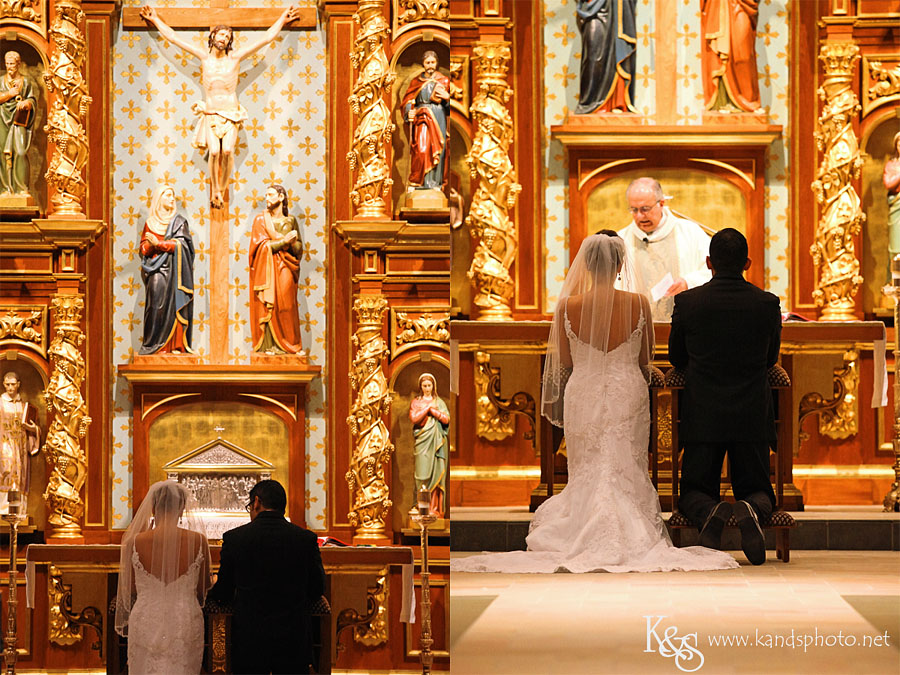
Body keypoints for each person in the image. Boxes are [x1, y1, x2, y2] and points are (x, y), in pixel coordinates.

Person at [451, 232, 737, 573]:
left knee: (588, 464)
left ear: (586, 264)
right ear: (619, 265)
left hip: (583, 390)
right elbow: (646, 355)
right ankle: (632, 532)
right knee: (624, 462)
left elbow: (566, 361)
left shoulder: (568, 306)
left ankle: (581, 528)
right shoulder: (638, 303)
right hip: (626, 390)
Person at [669, 228, 781, 566]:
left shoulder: (688, 302)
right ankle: (748, 508)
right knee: (762, 491)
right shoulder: (767, 303)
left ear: (708, 263)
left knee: (692, 491)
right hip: (751, 415)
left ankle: (710, 509)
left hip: (703, 415)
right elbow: (770, 359)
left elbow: (676, 357)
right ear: (747, 263)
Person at [140, 5, 302, 208]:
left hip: (231, 113)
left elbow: (267, 38)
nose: (224, 38)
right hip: (210, 113)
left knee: (227, 151)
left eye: (227, 36)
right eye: (221, 34)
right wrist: (155, 20)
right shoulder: (204, 57)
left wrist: (282, 20)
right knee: (214, 152)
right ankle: (214, 188)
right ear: (212, 36)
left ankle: (221, 190)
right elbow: (173, 38)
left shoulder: (234, 58)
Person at [207, 479, 326, 674]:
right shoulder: (305, 539)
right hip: (293, 640)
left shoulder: (234, 538)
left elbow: (224, 592)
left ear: (256, 502)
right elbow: (317, 588)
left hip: (250, 639)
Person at [115, 480, 211, 674]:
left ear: (152, 507)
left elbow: (131, 589)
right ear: (182, 507)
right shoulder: (198, 541)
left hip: (146, 617)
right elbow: (203, 587)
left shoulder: (134, 542)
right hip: (184, 618)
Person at [617, 177, 712, 322]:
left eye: (645, 209)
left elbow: (712, 271)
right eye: (634, 210)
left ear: (661, 203)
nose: (639, 216)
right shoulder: (621, 239)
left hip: (684, 324)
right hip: (635, 328)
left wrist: (688, 282)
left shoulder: (690, 232)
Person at [139, 185, 195, 354]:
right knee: (155, 306)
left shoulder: (179, 222)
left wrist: (159, 244)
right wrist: (149, 245)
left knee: (175, 306)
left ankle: (175, 345)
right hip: (157, 271)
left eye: (173, 195)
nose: (172, 198)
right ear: (159, 198)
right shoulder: (151, 223)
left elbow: (184, 246)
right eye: (168, 195)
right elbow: (142, 249)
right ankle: (153, 345)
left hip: (176, 271)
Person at [250, 184, 303, 354]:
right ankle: (269, 346)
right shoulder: (260, 220)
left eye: (271, 194)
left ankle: (290, 346)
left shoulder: (291, 221)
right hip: (267, 267)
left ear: (281, 197)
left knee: (287, 305)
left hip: (286, 266)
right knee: (267, 306)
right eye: (266, 195)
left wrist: (293, 243)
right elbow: (258, 247)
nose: (267, 198)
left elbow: (299, 251)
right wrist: (283, 242)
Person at [575, 0, 637, 114]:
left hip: (618, 7)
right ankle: (591, 102)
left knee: (617, 51)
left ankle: (616, 102)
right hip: (594, 10)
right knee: (593, 58)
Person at [701, 0, 762, 113]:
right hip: (718, 6)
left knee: (743, 55)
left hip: (742, 6)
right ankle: (722, 103)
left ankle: (746, 100)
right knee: (719, 58)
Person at [401, 50, 450, 190]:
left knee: (438, 148)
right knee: (422, 149)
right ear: (423, 64)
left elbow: (451, 108)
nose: (430, 65)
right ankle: (418, 182)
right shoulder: (416, 81)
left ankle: (435, 184)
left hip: (438, 115)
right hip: (421, 116)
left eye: (432, 62)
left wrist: (447, 98)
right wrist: (408, 111)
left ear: (437, 63)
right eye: (427, 62)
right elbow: (408, 100)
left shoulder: (444, 80)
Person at [409, 373, 449, 517]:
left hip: (436, 442)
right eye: (424, 386)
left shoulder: (439, 402)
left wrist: (434, 411)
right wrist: (427, 409)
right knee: (421, 474)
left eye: (429, 385)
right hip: (422, 441)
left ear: (433, 386)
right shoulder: (416, 402)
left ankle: (434, 509)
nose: (427, 388)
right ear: (420, 387)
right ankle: (419, 505)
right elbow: (414, 418)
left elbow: (446, 419)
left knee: (436, 473)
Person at [0, 371, 40, 512]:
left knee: (20, 477)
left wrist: (32, 428)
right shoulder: (0, 404)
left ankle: (18, 511)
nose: (10, 387)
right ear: (4, 384)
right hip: (3, 447)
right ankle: (3, 511)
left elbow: (34, 428)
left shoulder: (24, 406)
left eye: (13, 384)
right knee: (5, 474)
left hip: (20, 448)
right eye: (7, 384)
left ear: (18, 385)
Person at [0, 51, 36, 196]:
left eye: (12, 64)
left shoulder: (25, 82)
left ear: (18, 64)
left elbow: (32, 99)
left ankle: (22, 188)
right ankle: (5, 189)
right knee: (2, 154)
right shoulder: (1, 81)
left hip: (19, 119)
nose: (9, 67)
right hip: (2, 118)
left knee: (20, 152)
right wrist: (9, 94)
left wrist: (27, 103)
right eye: (7, 64)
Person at [884, 132, 900, 276]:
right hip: (896, 205)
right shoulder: (891, 164)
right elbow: (888, 183)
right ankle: (896, 282)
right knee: (896, 247)